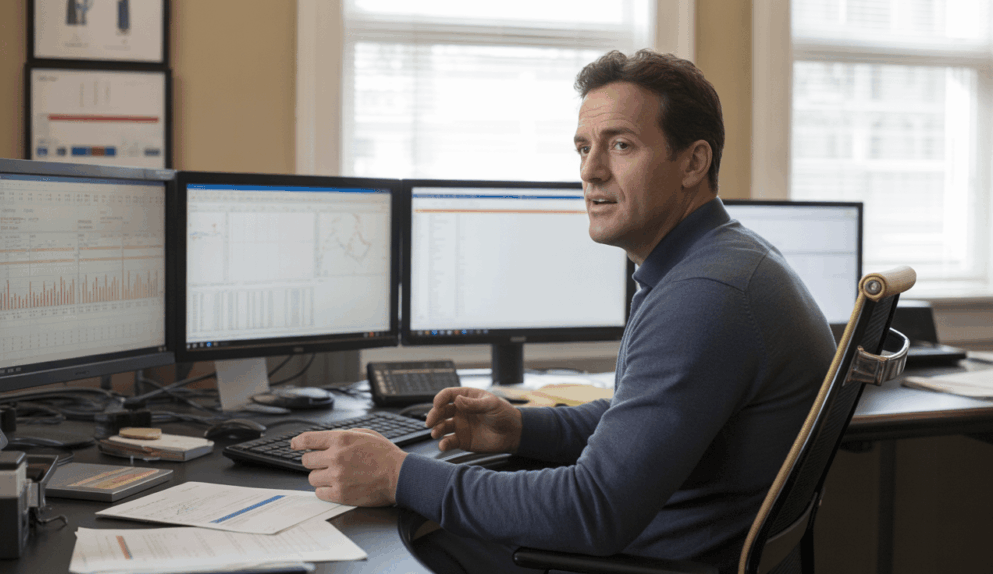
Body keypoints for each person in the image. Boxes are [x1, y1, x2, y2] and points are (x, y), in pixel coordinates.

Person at [290, 50, 836, 574]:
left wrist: (398, 475)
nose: (591, 172)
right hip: (668, 550)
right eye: (582, 148)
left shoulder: (706, 294)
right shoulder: (726, 261)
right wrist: (522, 429)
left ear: (693, 162)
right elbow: (641, 419)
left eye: (620, 145)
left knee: (371, 560)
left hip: (638, 564)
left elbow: (591, 509)